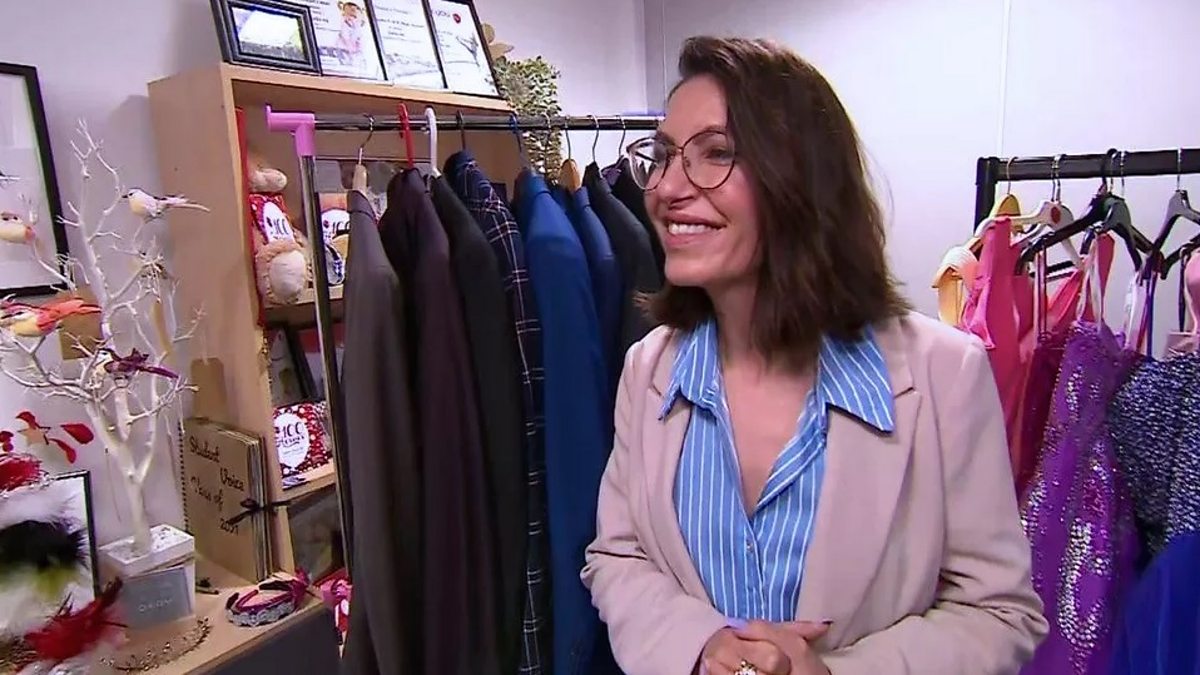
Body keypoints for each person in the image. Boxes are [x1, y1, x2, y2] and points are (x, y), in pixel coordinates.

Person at [581, 36, 1047, 675]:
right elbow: (618, 555)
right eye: (661, 158)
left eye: (716, 153)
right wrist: (699, 644)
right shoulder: (650, 370)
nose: (665, 187)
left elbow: (998, 612)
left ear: (799, 177)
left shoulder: (944, 373)